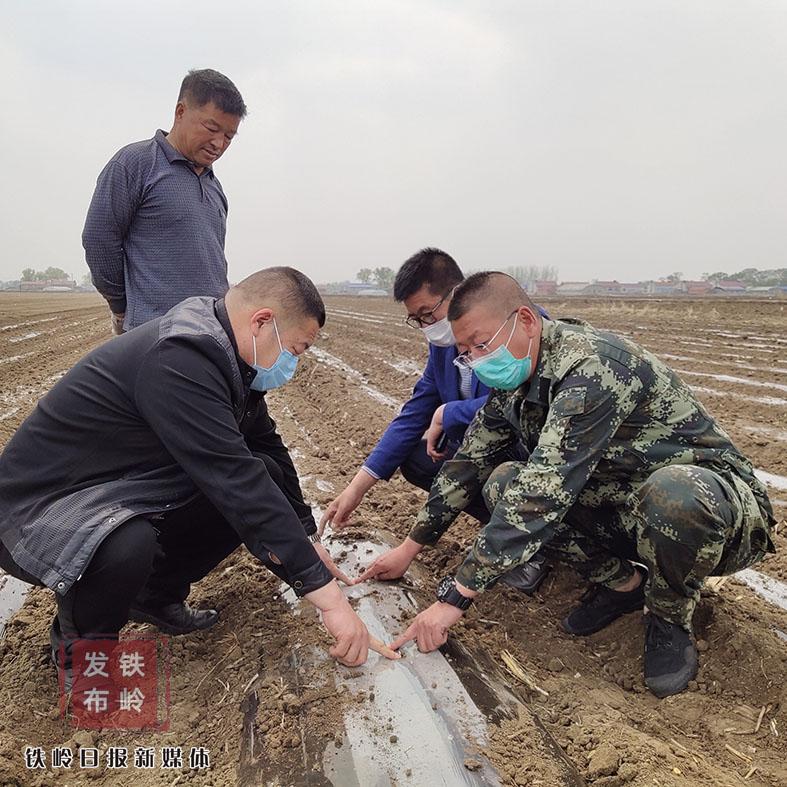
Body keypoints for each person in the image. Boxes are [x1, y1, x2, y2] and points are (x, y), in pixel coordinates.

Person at [362, 272, 775, 698]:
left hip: (715, 516)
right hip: (626, 504)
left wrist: (454, 599)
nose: (477, 361)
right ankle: (624, 586)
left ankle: (668, 616)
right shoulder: (518, 378)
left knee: (673, 491)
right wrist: (409, 549)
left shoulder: (591, 367)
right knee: (504, 482)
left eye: (481, 345)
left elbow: (544, 491)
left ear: (525, 320)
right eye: (466, 353)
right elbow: (469, 463)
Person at [0, 267, 397, 694]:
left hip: (111, 489)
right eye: (296, 349)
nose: (293, 363)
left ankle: (153, 596)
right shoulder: (180, 358)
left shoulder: (228, 360)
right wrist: (330, 601)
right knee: (126, 542)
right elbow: (231, 475)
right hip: (35, 513)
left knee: (262, 470)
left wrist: (306, 539)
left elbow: (266, 449)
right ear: (262, 322)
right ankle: (81, 660)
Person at [321, 249, 550, 594]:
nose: (427, 327)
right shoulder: (444, 345)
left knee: (500, 473)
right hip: (480, 443)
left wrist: (449, 413)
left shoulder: (512, 331)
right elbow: (416, 410)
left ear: (457, 293)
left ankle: (538, 545)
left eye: (428, 313)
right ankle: (505, 525)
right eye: (417, 319)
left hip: (527, 448)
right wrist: (356, 488)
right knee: (417, 457)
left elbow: (513, 404)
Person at [82, 68, 246, 334]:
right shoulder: (135, 164)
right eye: (212, 128)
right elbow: (99, 240)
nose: (219, 143)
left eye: (229, 136)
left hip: (208, 335)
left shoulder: (215, 188)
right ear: (180, 112)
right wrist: (122, 305)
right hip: (155, 336)